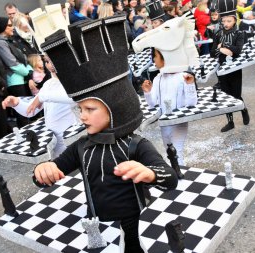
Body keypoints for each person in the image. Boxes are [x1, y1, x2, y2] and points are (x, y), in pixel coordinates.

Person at [35, 14, 178, 252]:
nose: (82, 116)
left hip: (137, 222)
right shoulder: (81, 146)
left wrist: (150, 173)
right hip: (97, 224)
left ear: (116, 107)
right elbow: (52, 171)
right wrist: (43, 169)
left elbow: (170, 179)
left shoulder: (136, 145)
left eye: (90, 109)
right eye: (80, 109)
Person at [2, 56, 77, 159]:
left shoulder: (75, 81)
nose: (50, 65)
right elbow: (31, 109)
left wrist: (42, 97)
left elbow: (73, 98)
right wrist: (16, 103)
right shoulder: (48, 84)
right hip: (53, 143)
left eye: (53, 60)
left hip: (73, 139)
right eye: (46, 61)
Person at [141, 49, 197, 165]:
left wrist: (190, 85)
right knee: (170, 154)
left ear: (165, 57)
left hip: (179, 123)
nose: (153, 59)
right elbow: (152, 103)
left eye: (155, 56)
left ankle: (182, 180)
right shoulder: (158, 78)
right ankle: (176, 178)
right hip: (164, 123)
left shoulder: (183, 76)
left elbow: (191, 103)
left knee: (177, 153)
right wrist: (147, 92)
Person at [210, 0, 250, 132]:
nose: (225, 23)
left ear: (234, 20)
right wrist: (222, 50)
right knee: (226, 96)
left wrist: (224, 47)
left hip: (235, 69)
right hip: (221, 69)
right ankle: (230, 122)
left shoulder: (239, 34)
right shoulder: (218, 34)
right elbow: (212, 53)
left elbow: (238, 50)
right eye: (224, 21)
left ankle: (243, 109)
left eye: (229, 21)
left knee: (236, 94)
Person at [0, 16, 33, 128]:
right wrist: (28, 73)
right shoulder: (0, 43)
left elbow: (24, 58)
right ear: (3, 27)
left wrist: (29, 71)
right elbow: (12, 63)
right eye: (10, 25)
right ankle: (26, 138)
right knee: (22, 113)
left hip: (21, 77)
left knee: (28, 110)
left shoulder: (9, 40)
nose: (13, 28)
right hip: (14, 81)